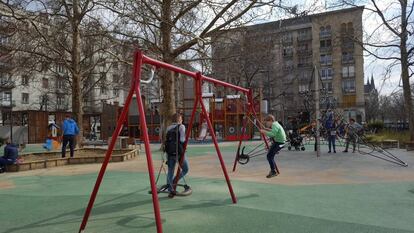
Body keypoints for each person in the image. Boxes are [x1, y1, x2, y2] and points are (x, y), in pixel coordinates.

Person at [164, 113, 190, 198]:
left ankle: (170, 187)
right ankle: (175, 180)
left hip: (170, 153)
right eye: (181, 118)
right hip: (179, 153)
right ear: (179, 119)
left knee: (170, 170)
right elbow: (182, 139)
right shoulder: (181, 127)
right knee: (185, 169)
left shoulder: (168, 128)